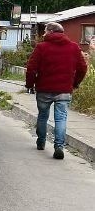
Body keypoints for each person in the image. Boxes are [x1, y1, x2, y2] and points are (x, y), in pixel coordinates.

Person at [25, 22, 88, 159]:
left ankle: (41, 141)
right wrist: (74, 83)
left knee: (43, 116)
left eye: (45, 31)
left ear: (51, 32)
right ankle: (59, 146)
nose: (43, 34)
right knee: (61, 118)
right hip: (64, 90)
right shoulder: (74, 47)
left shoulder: (41, 47)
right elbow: (83, 68)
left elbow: (31, 68)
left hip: (44, 89)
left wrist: (29, 84)